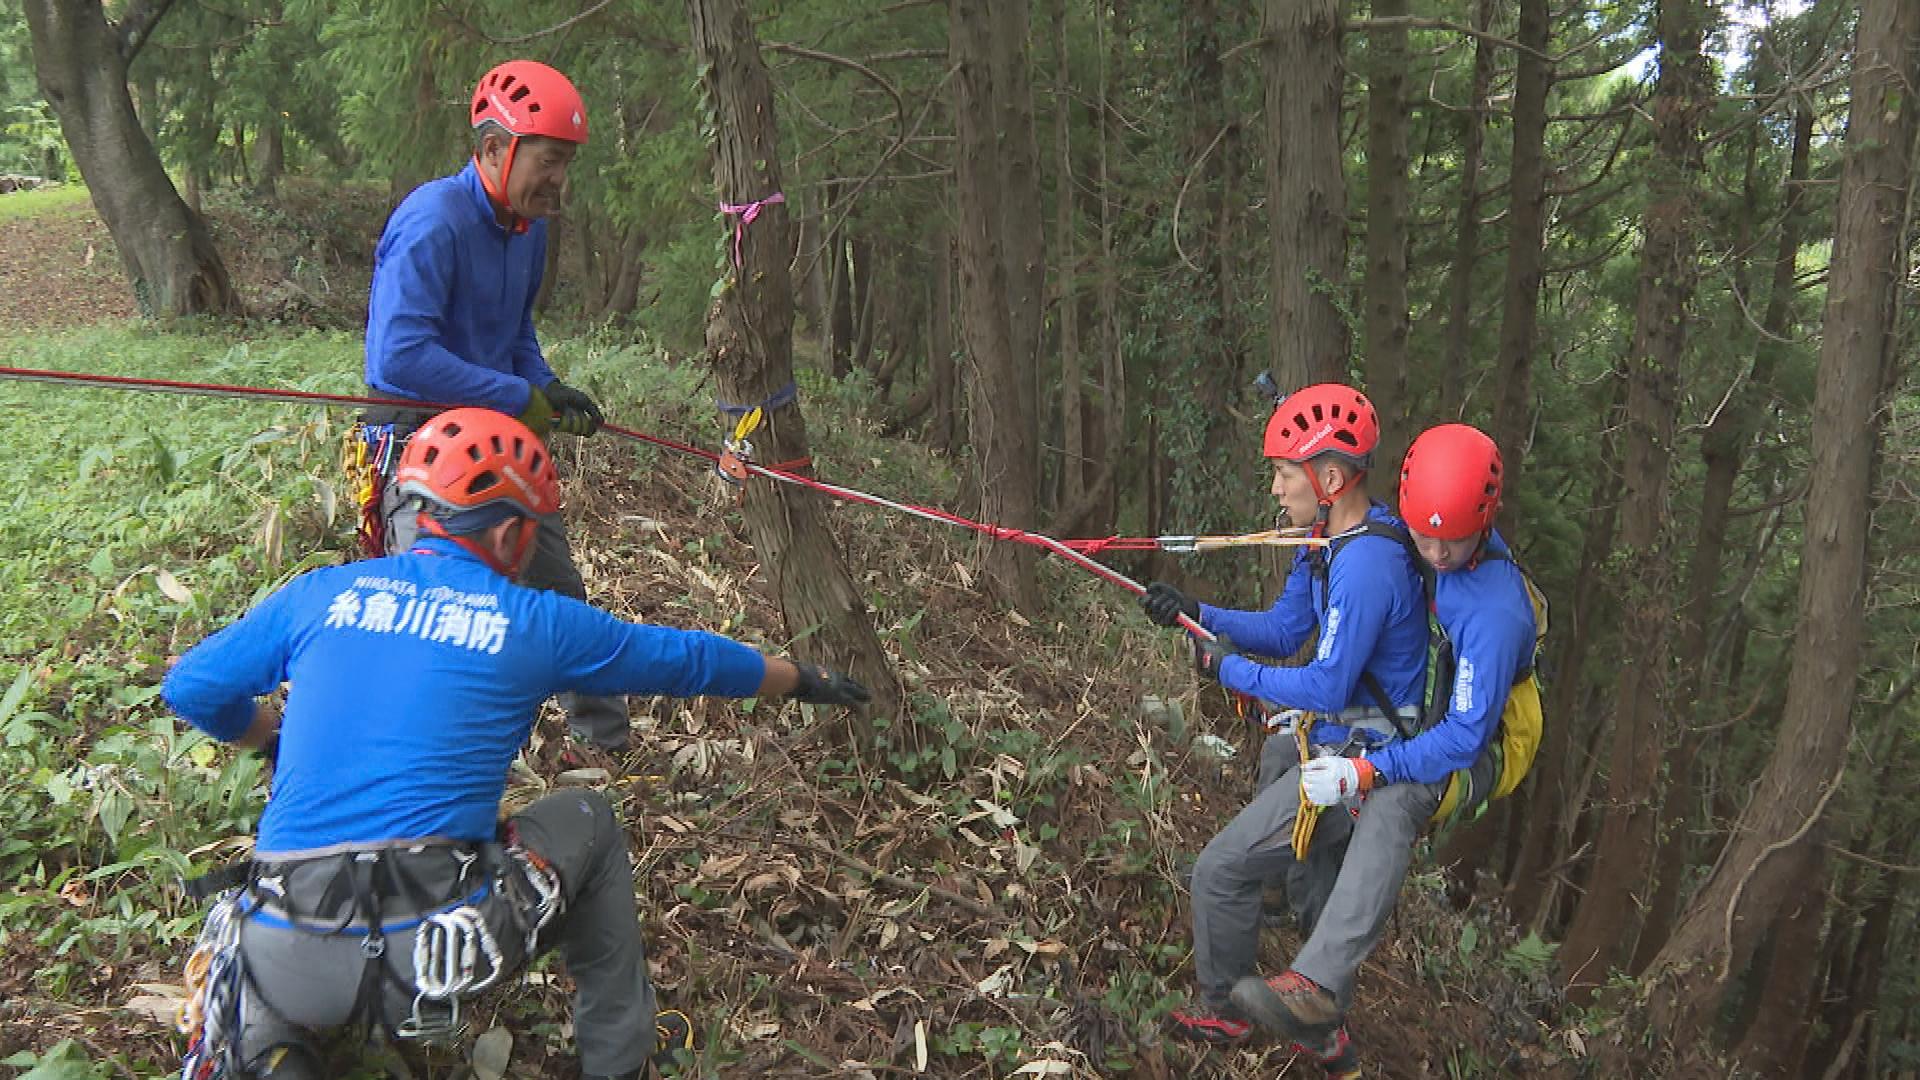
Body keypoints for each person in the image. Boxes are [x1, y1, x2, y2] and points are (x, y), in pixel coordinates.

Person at [164, 409, 870, 1080]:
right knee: (587, 817)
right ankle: (618, 1061)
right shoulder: (536, 620)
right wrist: (805, 678)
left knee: (254, 1002)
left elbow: (194, 687)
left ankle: (274, 1050)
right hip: (442, 952)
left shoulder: (322, 595)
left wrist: (271, 740)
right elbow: (689, 661)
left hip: (286, 953)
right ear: (507, 534)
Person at [1223, 423, 1539, 1074]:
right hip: (1416, 705)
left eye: (1448, 541)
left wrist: (1366, 770)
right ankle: (1290, 904)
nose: (1434, 551)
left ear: (1483, 522)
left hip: (1483, 741)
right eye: (1424, 537)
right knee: (1292, 748)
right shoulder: (1413, 534)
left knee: (1394, 799)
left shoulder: (1495, 613)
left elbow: (1461, 738)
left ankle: (1319, 987)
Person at [1137, 383, 1426, 1075]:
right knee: (1310, 884)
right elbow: (1288, 628)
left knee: (1219, 872)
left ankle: (1227, 1014)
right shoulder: (1330, 543)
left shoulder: (1364, 565)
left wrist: (1231, 673)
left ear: (1328, 480)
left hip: (1363, 765)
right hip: (1341, 747)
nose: (1274, 490)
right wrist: (1198, 612)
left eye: (1283, 474)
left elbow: (1325, 683)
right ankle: (1325, 1035)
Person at [361, 58, 628, 756]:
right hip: (419, 439)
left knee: (556, 590)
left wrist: (546, 385)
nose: (559, 181)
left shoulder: (527, 227)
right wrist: (518, 396)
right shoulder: (432, 222)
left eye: (566, 164)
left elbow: (514, 330)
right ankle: (417, 761)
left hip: (494, 435)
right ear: (492, 150)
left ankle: (604, 743)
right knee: (433, 609)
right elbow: (399, 356)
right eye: (548, 161)